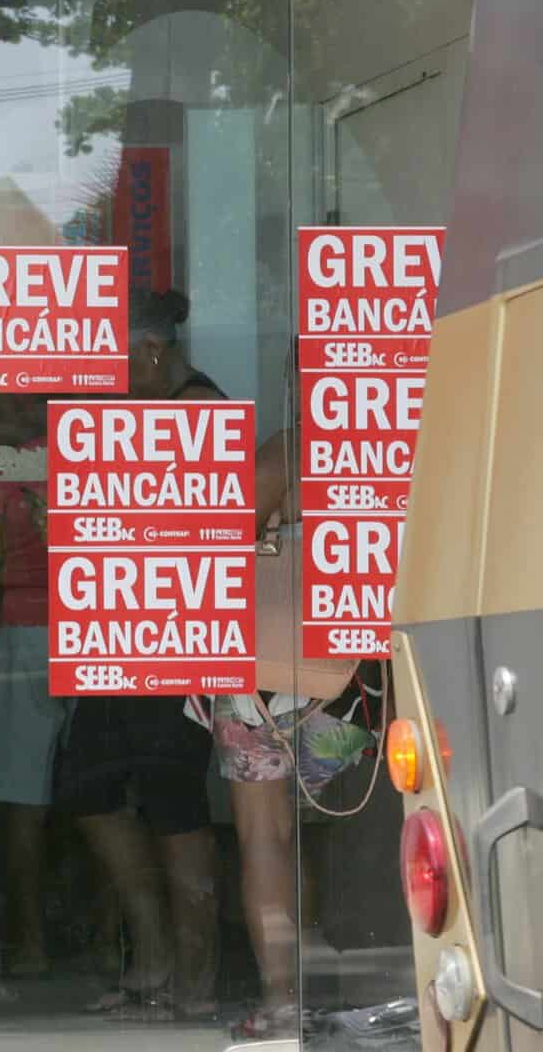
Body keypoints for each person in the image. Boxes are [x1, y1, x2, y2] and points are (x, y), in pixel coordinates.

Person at [56, 287, 221, 1021]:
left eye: (117, 362)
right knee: (89, 787)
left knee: (174, 801)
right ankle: (156, 959)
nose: (111, 379)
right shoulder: (146, 410)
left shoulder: (199, 409)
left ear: (151, 352)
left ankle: (194, 980)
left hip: (176, 631)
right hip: (120, 628)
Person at [195, 424, 378, 1042]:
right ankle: (343, 987)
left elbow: (229, 528)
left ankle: (283, 1000)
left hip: (270, 674)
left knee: (266, 837)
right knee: (318, 831)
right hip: (351, 676)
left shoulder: (291, 446)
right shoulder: (391, 437)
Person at [0, 395, 68, 979]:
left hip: (26, 629)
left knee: (23, 797)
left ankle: (32, 944)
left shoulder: (8, 468)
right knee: (105, 795)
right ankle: (112, 940)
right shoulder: (107, 453)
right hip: (101, 630)